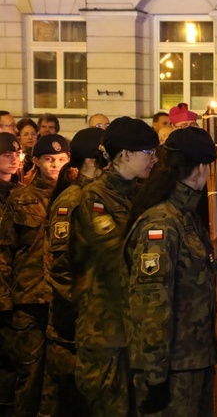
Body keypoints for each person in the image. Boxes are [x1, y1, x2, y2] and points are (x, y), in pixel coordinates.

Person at [123, 127, 217, 416]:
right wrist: (155, 376)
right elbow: (152, 304)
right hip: (172, 367)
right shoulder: (162, 224)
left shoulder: (185, 215)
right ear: (201, 168)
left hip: (194, 359)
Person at [69, 117, 159, 415]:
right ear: (124, 155)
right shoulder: (94, 198)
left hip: (134, 328)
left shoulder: (139, 193)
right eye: (148, 152)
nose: (153, 159)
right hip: (105, 328)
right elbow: (116, 254)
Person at [0, 133, 70, 417]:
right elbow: (4, 253)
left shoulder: (75, 197)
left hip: (64, 299)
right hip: (28, 300)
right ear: (37, 161)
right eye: (49, 160)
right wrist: (4, 301)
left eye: (61, 160)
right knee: (28, 373)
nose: (55, 166)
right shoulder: (21, 199)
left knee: (60, 374)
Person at [43, 127, 107, 417]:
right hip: (74, 323)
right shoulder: (71, 200)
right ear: (90, 161)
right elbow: (62, 268)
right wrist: (85, 308)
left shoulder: (95, 196)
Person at [0, 133, 23, 414]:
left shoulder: (20, 191)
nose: (14, 158)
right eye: (6, 155)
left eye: (16, 154)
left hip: (14, 284)